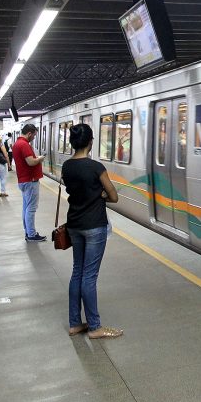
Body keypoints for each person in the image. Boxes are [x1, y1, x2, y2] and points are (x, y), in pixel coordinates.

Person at [62, 123, 122, 339]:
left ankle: (75, 323)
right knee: (89, 276)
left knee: (77, 271)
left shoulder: (66, 166)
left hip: (74, 225)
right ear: (90, 142)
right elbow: (113, 196)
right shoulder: (96, 167)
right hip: (94, 225)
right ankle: (95, 327)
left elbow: (73, 191)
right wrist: (101, 196)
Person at [12, 123, 47, 242]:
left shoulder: (17, 144)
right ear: (29, 133)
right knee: (31, 208)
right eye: (34, 136)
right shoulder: (24, 144)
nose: (34, 138)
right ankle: (31, 234)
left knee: (26, 208)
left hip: (23, 180)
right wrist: (40, 159)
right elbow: (31, 162)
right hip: (30, 181)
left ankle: (28, 232)